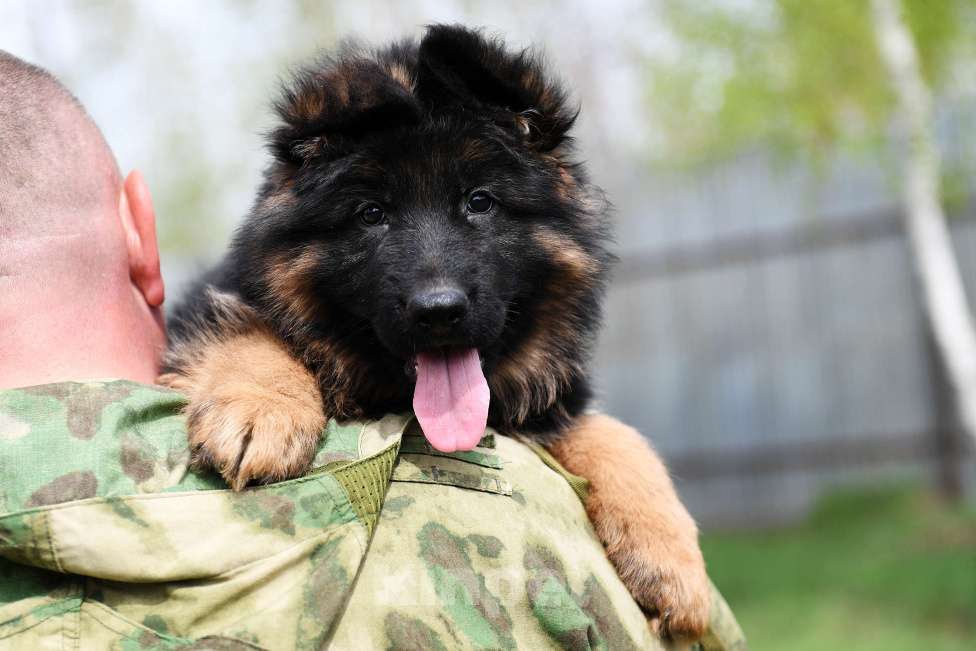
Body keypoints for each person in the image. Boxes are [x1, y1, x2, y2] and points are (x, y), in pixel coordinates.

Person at [0, 51, 745, 650]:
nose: (436, 288)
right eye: (372, 212)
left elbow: (558, 420)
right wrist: (272, 374)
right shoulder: (257, 339)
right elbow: (228, 325)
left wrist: (616, 464)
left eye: (479, 203)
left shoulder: (534, 392)